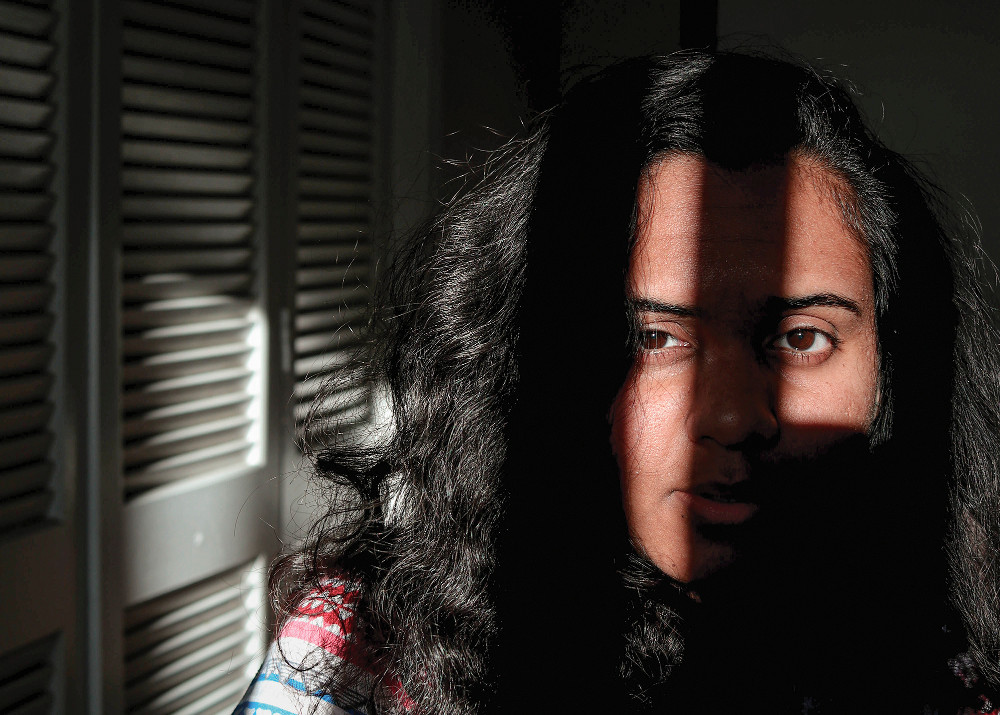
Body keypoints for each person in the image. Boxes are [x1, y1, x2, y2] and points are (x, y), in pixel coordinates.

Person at [236, 50, 1000, 714]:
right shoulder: (363, 653)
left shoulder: (937, 653)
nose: (733, 415)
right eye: (652, 337)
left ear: (893, 363)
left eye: (803, 338)